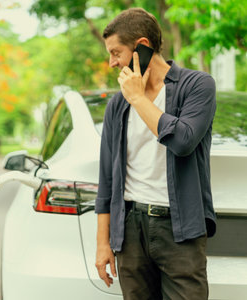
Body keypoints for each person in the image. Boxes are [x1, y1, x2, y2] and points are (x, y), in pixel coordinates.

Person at [94, 7, 217, 300]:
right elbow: (107, 178)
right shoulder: (117, 104)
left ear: (142, 47)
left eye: (116, 53)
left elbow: (183, 141)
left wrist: (137, 97)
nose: (112, 63)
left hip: (180, 231)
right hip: (130, 231)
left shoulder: (197, 86)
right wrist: (103, 243)